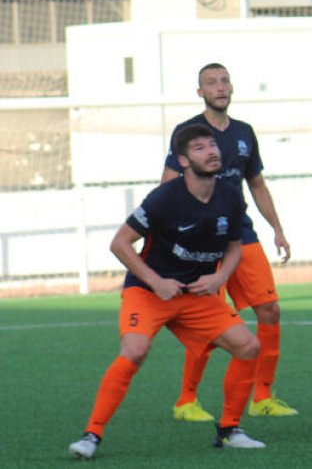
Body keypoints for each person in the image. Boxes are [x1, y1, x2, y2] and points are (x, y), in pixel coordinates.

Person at [68, 125, 265, 459]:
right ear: (184, 160)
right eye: (200, 148)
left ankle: (230, 430)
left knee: (248, 346)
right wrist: (156, 281)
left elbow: (234, 246)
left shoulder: (230, 194)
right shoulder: (164, 197)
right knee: (134, 350)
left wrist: (220, 279)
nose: (211, 151)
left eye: (213, 145)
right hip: (148, 292)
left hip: (197, 295)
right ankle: (91, 436)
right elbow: (120, 243)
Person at [164, 63, 296, 420]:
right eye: (211, 82)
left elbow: (256, 185)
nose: (219, 87)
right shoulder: (188, 132)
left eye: (224, 81)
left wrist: (277, 228)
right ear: (200, 92)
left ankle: (263, 397)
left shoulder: (244, 132)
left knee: (270, 310)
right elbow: (167, 186)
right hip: (203, 243)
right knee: (207, 321)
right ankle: (186, 401)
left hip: (241, 236)